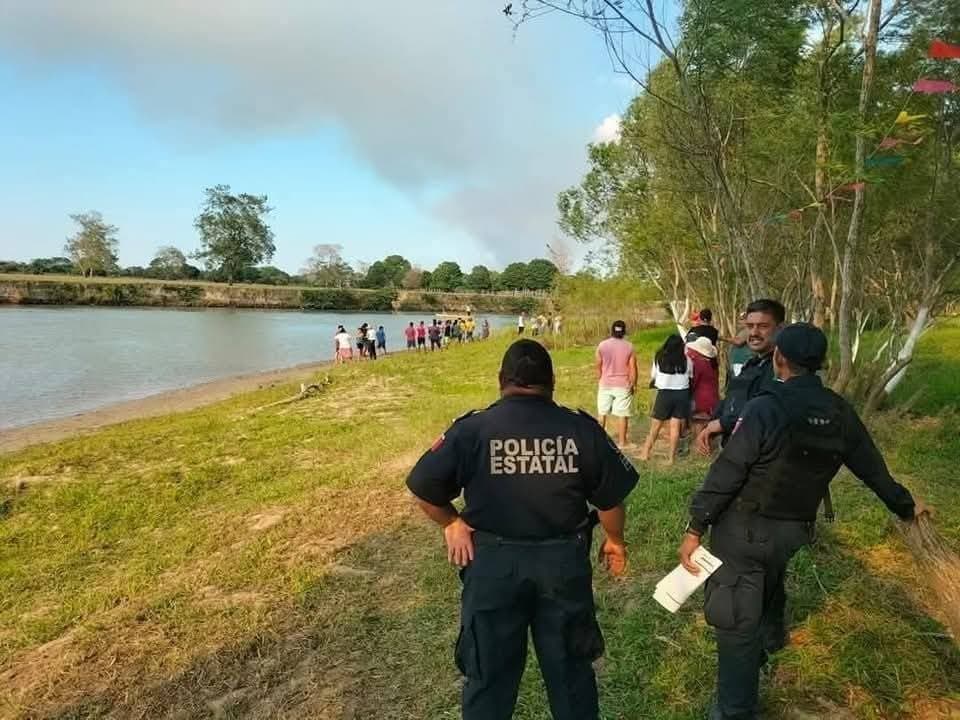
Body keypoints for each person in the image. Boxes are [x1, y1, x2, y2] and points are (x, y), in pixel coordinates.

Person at [677, 323, 927, 720]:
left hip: (743, 532)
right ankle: (764, 649)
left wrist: (695, 528)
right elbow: (872, 469)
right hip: (792, 533)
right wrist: (906, 506)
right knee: (764, 590)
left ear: (779, 358)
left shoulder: (766, 406)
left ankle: (735, 709)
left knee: (736, 620)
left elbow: (728, 472)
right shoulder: (838, 411)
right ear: (820, 362)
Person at [406, 339, 640, 720]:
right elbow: (611, 501)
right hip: (562, 567)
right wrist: (615, 540)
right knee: (571, 678)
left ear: (501, 380)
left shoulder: (473, 430)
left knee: (488, 680)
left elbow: (423, 486)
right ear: (552, 381)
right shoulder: (580, 429)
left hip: (493, 569)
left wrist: (451, 521)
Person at [695, 299, 785, 455]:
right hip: (735, 451)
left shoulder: (782, 368)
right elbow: (733, 398)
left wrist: (722, 423)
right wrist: (711, 424)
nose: (754, 333)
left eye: (763, 326)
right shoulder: (751, 364)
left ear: (780, 328)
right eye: (750, 326)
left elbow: (762, 411)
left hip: (760, 455)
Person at [639, 334, 691, 464]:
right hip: (682, 394)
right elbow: (690, 375)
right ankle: (671, 458)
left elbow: (653, 375)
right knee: (675, 427)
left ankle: (645, 453)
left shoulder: (659, 357)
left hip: (665, 393)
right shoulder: (686, 359)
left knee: (655, 426)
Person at [595, 320, 638, 449]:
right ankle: (622, 442)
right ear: (624, 332)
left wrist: (600, 378)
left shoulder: (602, 345)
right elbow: (633, 368)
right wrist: (634, 383)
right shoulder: (629, 346)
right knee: (622, 414)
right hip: (622, 384)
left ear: (612, 331)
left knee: (602, 413)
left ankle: (599, 441)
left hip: (605, 383)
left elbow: (598, 365)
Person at [687, 336, 721, 440]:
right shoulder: (713, 363)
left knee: (699, 426)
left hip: (701, 400)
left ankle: (699, 447)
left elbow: (693, 382)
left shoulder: (698, 363)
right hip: (713, 399)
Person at [726, 313, 752, 378]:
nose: (739, 322)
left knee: (739, 381)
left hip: (741, 362)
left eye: (741, 319)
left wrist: (721, 338)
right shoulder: (742, 331)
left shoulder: (748, 330)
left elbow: (738, 342)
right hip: (737, 363)